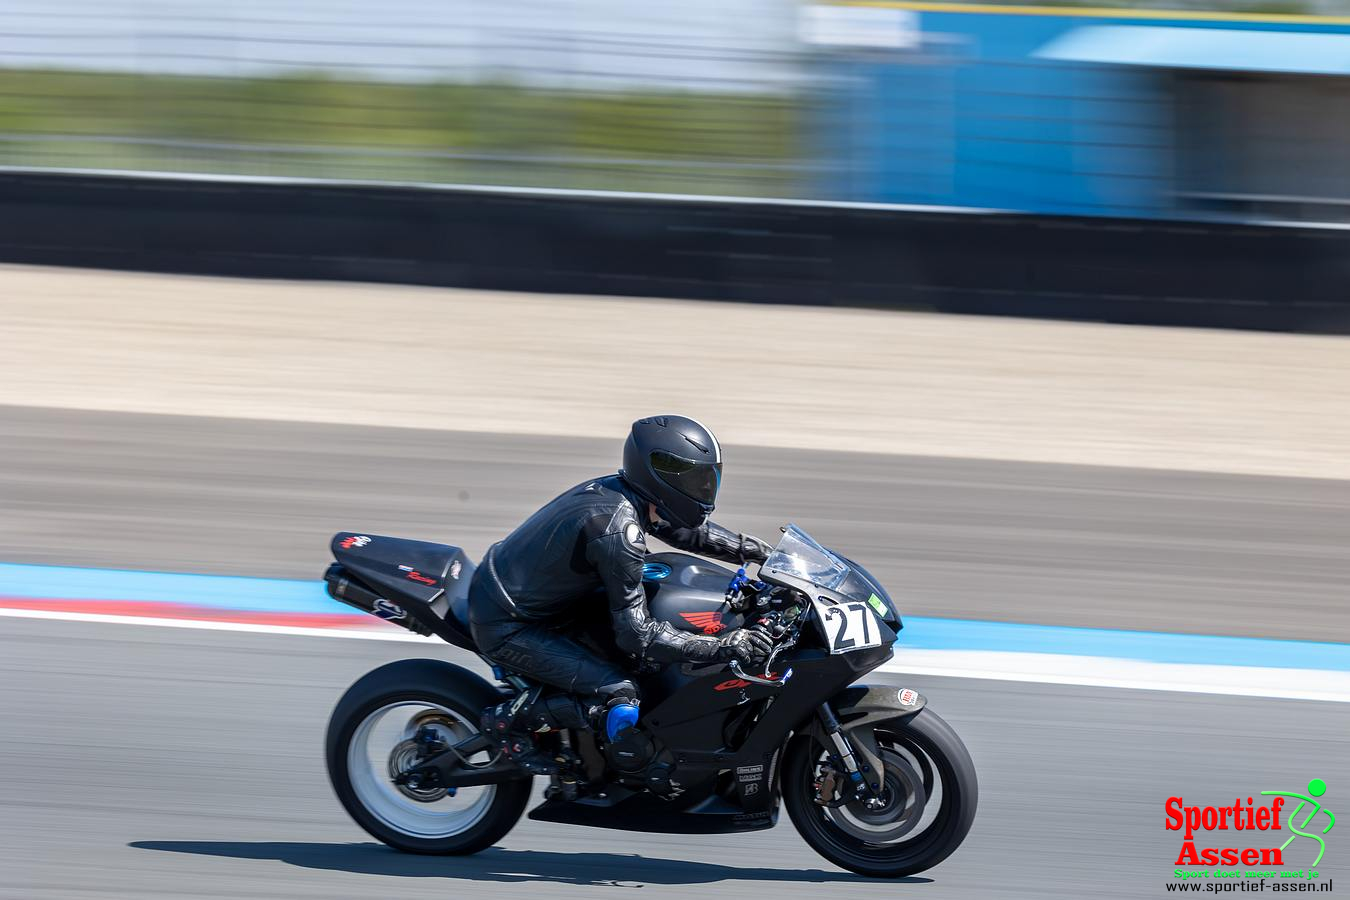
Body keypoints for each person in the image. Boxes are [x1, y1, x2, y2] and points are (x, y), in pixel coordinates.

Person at [469, 415, 777, 772]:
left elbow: (684, 531)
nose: (705, 489)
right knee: (622, 692)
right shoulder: (618, 530)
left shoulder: (630, 493)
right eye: (696, 480)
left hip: (548, 603)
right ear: (661, 478)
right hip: (509, 624)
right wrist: (724, 646)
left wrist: (759, 552)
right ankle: (509, 723)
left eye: (709, 478)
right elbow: (638, 636)